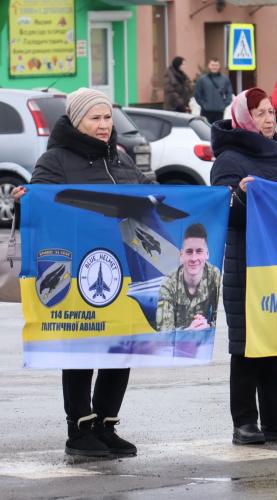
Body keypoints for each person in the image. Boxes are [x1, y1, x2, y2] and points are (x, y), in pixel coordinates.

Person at [15, 88, 154, 457]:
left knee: (121, 343)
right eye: (95, 118)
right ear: (77, 121)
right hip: (80, 271)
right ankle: (79, 430)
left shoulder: (120, 158)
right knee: (82, 345)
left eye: (107, 117)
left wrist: (203, 198)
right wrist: (26, 200)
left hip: (123, 268)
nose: (104, 125)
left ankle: (106, 425)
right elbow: (41, 204)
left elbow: (153, 194)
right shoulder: (56, 160)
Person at [210, 87, 277, 444]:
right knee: (245, 345)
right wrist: (240, 194)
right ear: (244, 118)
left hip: (275, 264)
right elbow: (225, 213)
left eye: (271, 112)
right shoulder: (229, 160)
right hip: (245, 264)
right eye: (260, 114)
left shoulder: (274, 155)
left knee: (272, 340)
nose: (269, 120)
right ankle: (244, 421)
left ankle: (276, 418)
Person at [155, 223, 221, 332]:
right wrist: (189, 331)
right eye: (189, 252)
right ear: (181, 255)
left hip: (205, 338)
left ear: (207, 254)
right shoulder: (169, 283)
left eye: (199, 251)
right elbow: (164, 332)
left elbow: (223, 320)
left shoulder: (215, 276)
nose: (194, 258)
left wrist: (208, 326)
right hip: (180, 341)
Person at [194, 58, 233, 124]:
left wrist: (224, 105)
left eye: (216, 65)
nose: (214, 67)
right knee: (205, 128)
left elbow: (229, 93)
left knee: (217, 129)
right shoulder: (202, 79)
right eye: (212, 65)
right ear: (209, 66)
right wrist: (204, 105)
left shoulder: (225, 79)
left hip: (219, 111)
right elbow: (197, 94)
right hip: (205, 111)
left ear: (219, 66)